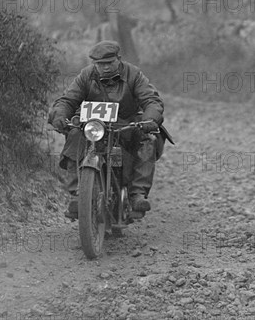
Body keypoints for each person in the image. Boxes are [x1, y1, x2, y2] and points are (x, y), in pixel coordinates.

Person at [48, 40, 166, 219]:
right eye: (100, 64)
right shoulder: (85, 76)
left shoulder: (134, 75)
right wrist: (59, 116)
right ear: (94, 64)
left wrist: (149, 119)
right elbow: (67, 100)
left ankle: (137, 194)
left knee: (148, 140)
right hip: (93, 126)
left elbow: (151, 100)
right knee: (73, 136)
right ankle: (77, 195)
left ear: (119, 59)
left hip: (126, 124)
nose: (105, 68)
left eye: (109, 63)